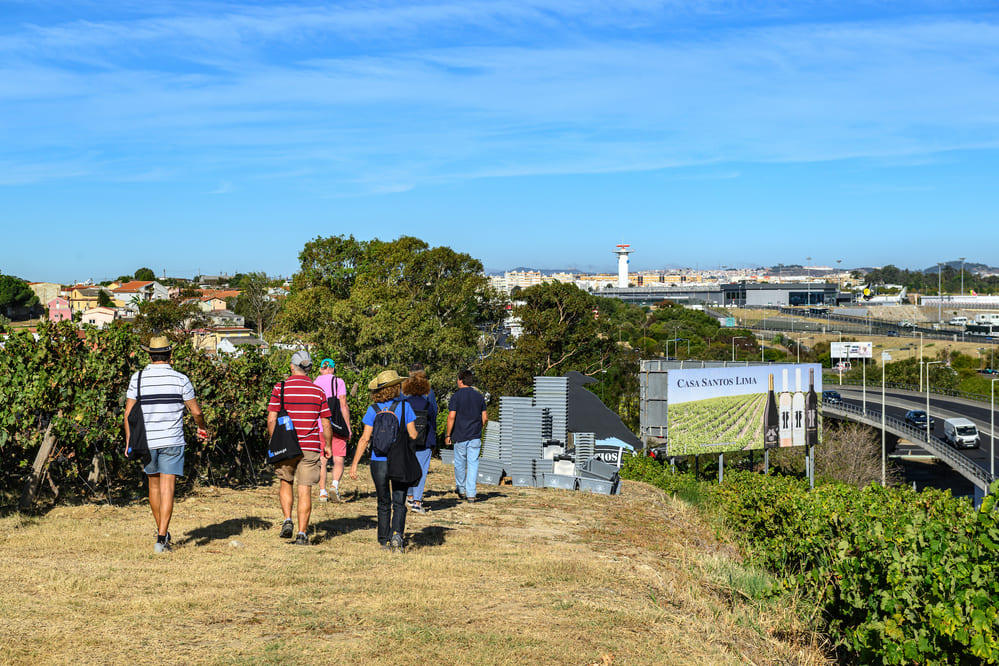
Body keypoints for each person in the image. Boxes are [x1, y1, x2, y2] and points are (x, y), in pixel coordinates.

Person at [123, 336, 208, 554]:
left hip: (146, 440)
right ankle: (162, 537)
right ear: (170, 355)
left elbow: (128, 415)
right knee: (168, 487)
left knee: (153, 486)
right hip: (172, 440)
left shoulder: (138, 378)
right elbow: (196, 411)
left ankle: (161, 531)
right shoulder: (181, 379)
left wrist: (129, 441)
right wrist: (202, 427)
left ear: (150, 355)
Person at [267, 350, 333, 546]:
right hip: (310, 446)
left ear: (291, 367)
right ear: (310, 368)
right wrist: (327, 445)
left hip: (285, 445)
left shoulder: (281, 388)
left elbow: (271, 419)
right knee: (305, 490)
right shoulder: (318, 391)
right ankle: (302, 533)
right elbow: (326, 422)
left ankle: (287, 520)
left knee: (285, 482)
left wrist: (276, 440)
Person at [349, 370, 418, 552]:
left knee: (383, 501)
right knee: (399, 500)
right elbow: (413, 434)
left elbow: (365, 438)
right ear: (396, 387)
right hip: (399, 459)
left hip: (377, 460)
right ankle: (397, 534)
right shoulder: (405, 407)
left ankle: (383, 540)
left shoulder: (373, 409)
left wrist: (354, 464)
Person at [445, 370, 487, 502]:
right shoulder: (479, 397)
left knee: (459, 463)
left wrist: (448, 435)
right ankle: (471, 494)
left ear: (461, 380)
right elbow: (484, 418)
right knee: (473, 464)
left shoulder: (456, 397)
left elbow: (451, 416)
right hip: (475, 435)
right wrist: (478, 427)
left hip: (460, 435)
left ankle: (461, 489)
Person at [314, 358, 351, 502]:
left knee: (322, 460)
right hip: (336, 424)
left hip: (320, 426)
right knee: (339, 459)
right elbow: (343, 405)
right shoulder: (339, 382)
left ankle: (322, 492)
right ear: (333, 369)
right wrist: (347, 427)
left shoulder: (315, 384)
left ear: (320, 369)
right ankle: (334, 486)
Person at [402, 365, 437, 514]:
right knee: (421, 469)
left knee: (409, 466)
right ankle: (417, 501)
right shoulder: (427, 400)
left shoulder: (403, 399)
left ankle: (409, 495)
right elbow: (433, 416)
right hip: (425, 438)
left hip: (407, 437)